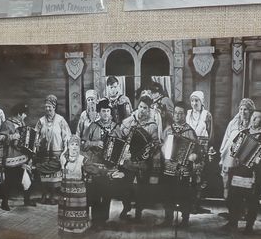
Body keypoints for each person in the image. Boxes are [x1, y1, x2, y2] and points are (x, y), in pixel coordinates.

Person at [225, 106, 261, 232]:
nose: (254, 119)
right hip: (239, 170)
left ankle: (249, 226)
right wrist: (235, 152)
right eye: (253, 117)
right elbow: (233, 148)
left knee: (252, 200)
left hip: (254, 172)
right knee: (234, 197)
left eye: (258, 118)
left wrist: (258, 158)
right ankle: (233, 222)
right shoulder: (244, 133)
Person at [117, 93, 162, 222]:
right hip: (128, 161)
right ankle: (126, 208)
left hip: (143, 163)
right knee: (125, 187)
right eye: (141, 107)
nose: (142, 110)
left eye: (145, 108)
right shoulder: (128, 121)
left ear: (149, 110)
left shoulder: (152, 125)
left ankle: (138, 212)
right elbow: (119, 137)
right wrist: (124, 150)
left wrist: (148, 151)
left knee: (141, 189)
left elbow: (156, 144)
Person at [81, 102, 121, 228]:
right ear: (99, 112)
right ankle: (96, 220)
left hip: (109, 166)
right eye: (103, 111)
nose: (106, 114)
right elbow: (83, 144)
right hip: (95, 165)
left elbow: (122, 144)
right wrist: (94, 143)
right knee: (96, 193)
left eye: (108, 111)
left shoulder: (116, 127)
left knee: (107, 193)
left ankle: (103, 220)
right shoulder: (93, 126)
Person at [161, 104, 200, 227]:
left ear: (185, 115)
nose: (177, 116)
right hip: (169, 167)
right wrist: (164, 149)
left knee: (184, 195)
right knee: (168, 194)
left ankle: (184, 220)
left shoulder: (190, 132)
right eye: (176, 113)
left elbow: (197, 150)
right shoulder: (168, 130)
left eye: (180, 113)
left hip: (184, 169)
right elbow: (161, 144)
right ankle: (168, 219)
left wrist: (193, 155)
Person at [35, 95, 71, 205]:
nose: (47, 109)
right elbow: (36, 135)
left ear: (54, 107)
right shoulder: (41, 121)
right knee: (44, 175)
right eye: (46, 107)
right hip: (44, 153)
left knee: (54, 176)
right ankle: (44, 194)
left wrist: (65, 151)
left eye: (49, 107)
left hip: (57, 152)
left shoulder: (61, 120)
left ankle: (52, 195)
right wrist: (36, 142)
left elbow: (66, 136)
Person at [0, 103, 35, 209]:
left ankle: (27, 200)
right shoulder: (7, 123)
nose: (25, 116)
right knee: (9, 180)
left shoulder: (22, 123)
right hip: (11, 156)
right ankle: (4, 202)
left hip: (22, 156)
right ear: (19, 114)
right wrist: (12, 136)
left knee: (27, 177)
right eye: (24, 114)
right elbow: (0, 138)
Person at [219, 98, 254, 196]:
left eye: (245, 109)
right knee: (228, 178)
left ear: (250, 111)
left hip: (245, 157)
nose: (242, 112)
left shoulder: (252, 124)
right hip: (230, 156)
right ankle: (228, 198)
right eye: (241, 109)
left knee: (242, 180)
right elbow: (226, 138)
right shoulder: (233, 123)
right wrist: (223, 152)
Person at [58, 135, 89, 234]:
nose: (74, 147)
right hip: (66, 188)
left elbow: (91, 170)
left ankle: (78, 228)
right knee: (66, 207)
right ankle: (65, 227)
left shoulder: (83, 159)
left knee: (78, 208)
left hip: (78, 190)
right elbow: (62, 171)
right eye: (72, 144)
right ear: (68, 146)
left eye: (76, 144)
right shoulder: (63, 158)